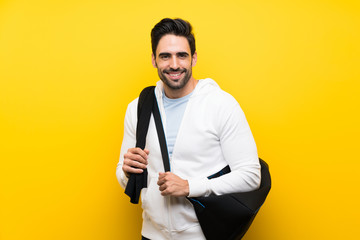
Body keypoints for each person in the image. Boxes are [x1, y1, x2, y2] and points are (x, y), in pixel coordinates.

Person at [116, 18, 261, 240]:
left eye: (181, 55)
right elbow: (122, 174)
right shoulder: (138, 107)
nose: (174, 64)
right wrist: (127, 172)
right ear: (154, 60)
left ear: (193, 57)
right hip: (151, 234)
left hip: (203, 234)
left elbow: (251, 176)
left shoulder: (221, 104)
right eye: (165, 56)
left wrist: (190, 186)